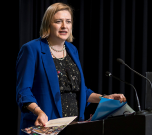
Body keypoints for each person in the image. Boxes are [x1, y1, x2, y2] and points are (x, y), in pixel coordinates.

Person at [16, 3, 126, 135]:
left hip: (74, 127)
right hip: (46, 127)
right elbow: (23, 91)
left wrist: (105, 98)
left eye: (68, 21)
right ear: (48, 24)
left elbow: (80, 91)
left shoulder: (72, 50)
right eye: (58, 21)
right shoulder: (32, 49)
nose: (64, 26)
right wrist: (38, 111)